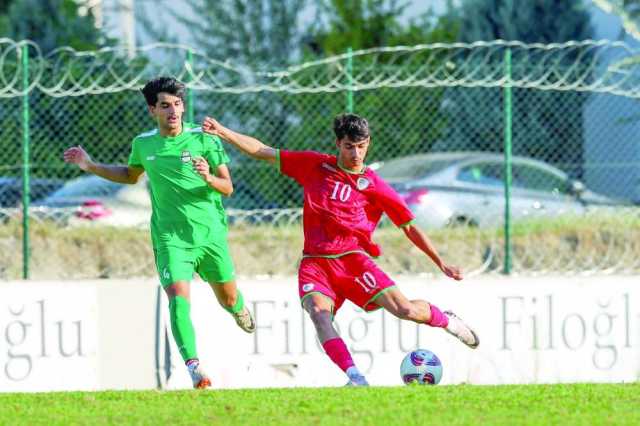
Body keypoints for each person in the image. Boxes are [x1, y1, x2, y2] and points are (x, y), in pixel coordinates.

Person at [200, 113, 480, 386]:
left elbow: (408, 226)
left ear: (368, 143)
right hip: (315, 263)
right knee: (319, 315)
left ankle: (447, 320)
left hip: (353, 261)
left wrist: (440, 262)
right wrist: (224, 132)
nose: (356, 154)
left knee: (405, 310)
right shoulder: (313, 165)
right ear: (338, 144)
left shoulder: (375, 186)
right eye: (349, 146)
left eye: (361, 146)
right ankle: (355, 377)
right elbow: (263, 151)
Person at [63, 77, 255, 389]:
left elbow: (228, 187)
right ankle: (195, 369)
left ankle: (238, 309)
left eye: (178, 105)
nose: (174, 111)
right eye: (165, 105)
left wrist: (208, 177)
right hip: (170, 238)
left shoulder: (204, 138)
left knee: (228, 297)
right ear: (153, 109)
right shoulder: (144, 144)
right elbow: (129, 175)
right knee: (179, 298)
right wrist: (90, 165)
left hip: (209, 235)